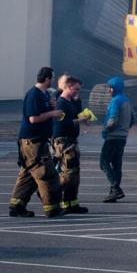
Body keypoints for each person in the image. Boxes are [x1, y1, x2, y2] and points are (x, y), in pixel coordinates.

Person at [8, 66, 64, 218]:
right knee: (45, 174)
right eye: (51, 78)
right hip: (33, 143)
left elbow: (44, 113)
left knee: (28, 175)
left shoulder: (44, 94)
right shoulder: (34, 95)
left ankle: (16, 205)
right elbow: (33, 118)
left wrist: (52, 108)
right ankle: (52, 208)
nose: (52, 81)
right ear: (46, 79)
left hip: (38, 142)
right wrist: (52, 113)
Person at [52, 75, 95, 214]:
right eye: (76, 89)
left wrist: (83, 115)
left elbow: (78, 115)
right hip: (64, 141)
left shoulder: (71, 101)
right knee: (68, 173)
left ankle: (72, 203)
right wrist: (81, 120)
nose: (78, 91)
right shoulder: (61, 103)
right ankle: (58, 198)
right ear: (68, 87)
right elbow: (64, 122)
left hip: (71, 140)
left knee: (75, 174)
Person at [100, 76, 134, 202]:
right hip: (122, 137)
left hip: (112, 137)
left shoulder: (115, 101)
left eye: (110, 87)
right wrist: (124, 129)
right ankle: (113, 192)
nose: (109, 90)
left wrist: (106, 130)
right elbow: (132, 119)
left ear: (114, 89)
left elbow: (113, 120)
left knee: (103, 163)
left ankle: (115, 188)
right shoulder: (126, 101)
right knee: (116, 165)